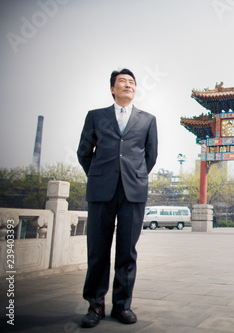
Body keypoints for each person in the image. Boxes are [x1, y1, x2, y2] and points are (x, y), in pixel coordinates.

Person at [77, 68, 158, 328]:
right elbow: (84, 152)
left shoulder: (147, 119)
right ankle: (95, 306)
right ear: (112, 89)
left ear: (135, 89)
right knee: (98, 250)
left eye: (131, 82)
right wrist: (100, 175)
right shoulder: (95, 116)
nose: (127, 85)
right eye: (122, 82)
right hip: (101, 191)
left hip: (132, 192)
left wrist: (134, 175)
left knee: (127, 251)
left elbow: (150, 156)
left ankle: (122, 306)